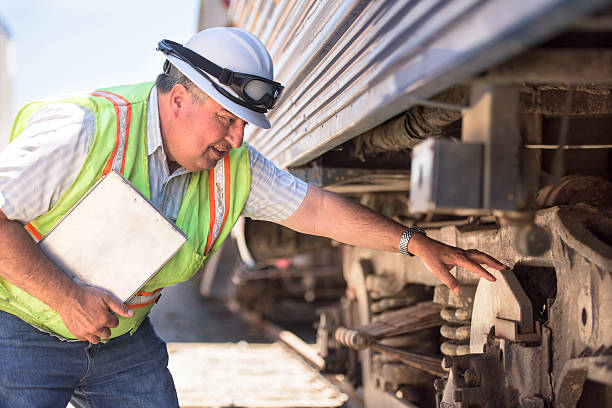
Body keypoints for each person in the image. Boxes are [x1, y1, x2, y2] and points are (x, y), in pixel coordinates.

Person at [0, 27, 505, 407]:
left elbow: (316, 209)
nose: (237, 139)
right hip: (20, 332)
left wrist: (415, 242)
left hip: (121, 343)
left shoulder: (233, 165)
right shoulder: (84, 129)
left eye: (243, 123)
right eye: (225, 117)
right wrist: (65, 297)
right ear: (178, 99)